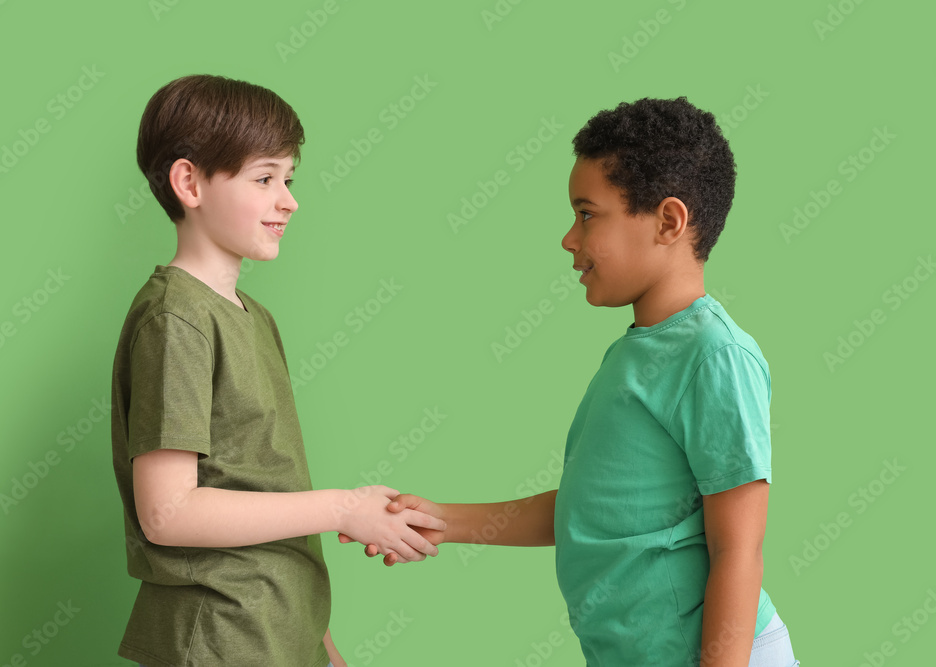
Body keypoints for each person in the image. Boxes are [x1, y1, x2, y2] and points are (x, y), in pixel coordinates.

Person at [345, 97, 798, 666]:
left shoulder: (714, 354)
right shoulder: (635, 352)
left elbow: (739, 549)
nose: (568, 237)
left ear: (668, 222)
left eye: (587, 214)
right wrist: (442, 520)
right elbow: (590, 509)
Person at [110, 74, 444, 667]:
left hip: (277, 631)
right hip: (219, 635)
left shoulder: (253, 318)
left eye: (289, 179)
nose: (288, 199)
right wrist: (344, 508)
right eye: (264, 179)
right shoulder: (176, 319)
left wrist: (322, 645)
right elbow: (168, 512)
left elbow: (268, 488)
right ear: (188, 182)